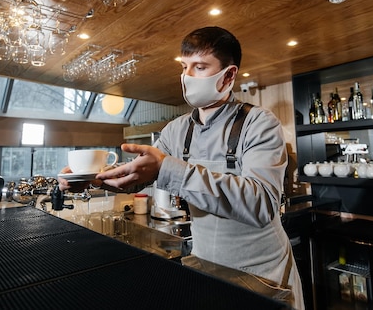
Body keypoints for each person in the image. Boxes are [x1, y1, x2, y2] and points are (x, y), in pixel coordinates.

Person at [62, 26, 304, 308]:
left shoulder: (259, 123)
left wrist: (167, 168)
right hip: (206, 266)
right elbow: (138, 175)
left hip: (262, 274)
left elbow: (261, 203)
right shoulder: (177, 130)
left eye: (199, 67)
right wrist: (92, 178)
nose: (187, 77)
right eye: (184, 67)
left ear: (228, 75)